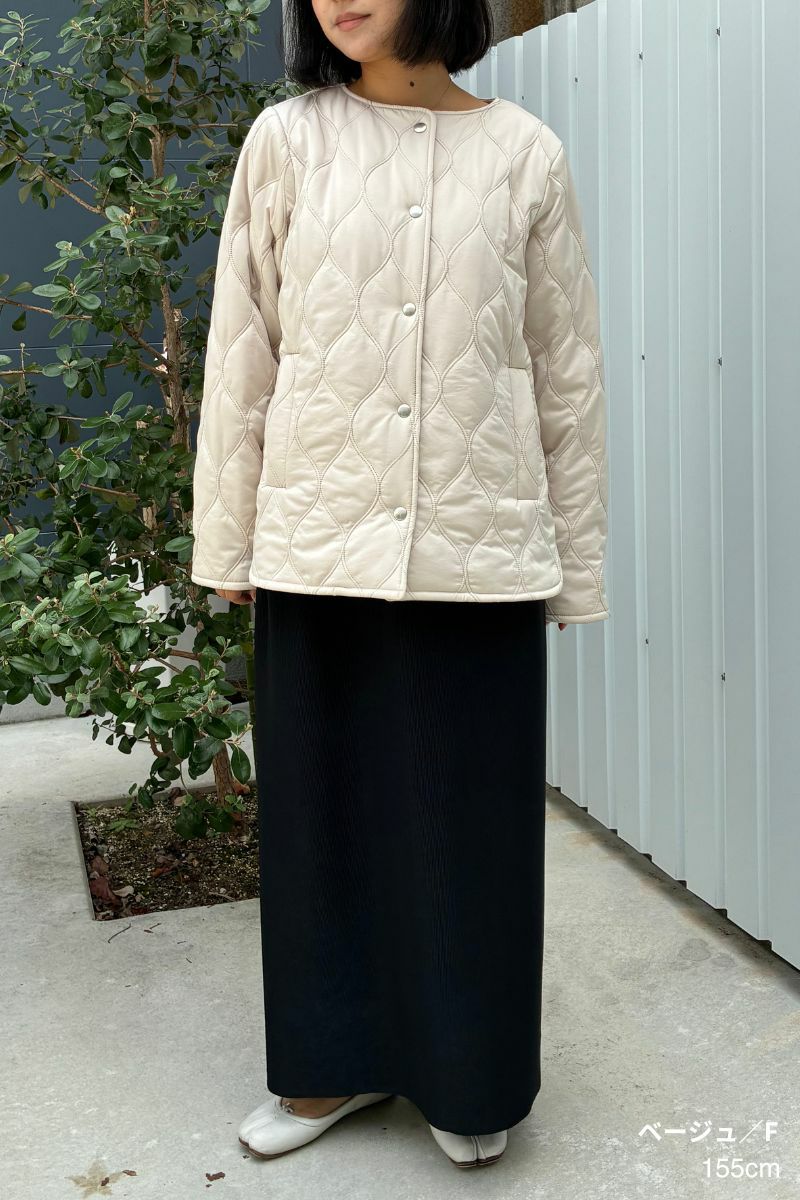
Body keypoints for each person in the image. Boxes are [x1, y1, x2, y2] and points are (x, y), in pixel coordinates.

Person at [190, 0, 609, 1172]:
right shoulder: (288, 140)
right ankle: (326, 1068)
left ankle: (467, 1077)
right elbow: (244, 345)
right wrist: (228, 539)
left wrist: (574, 564)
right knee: (320, 824)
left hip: (477, 552)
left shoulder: (523, 153)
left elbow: (564, 369)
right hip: (316, 541)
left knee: (466, 831)